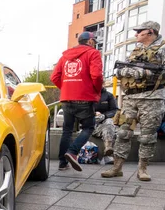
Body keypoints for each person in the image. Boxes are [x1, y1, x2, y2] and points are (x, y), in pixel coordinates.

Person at [102, 21, 165, 181]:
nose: (136, 34)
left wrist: (145, 74)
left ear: (150, 32)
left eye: (139, 31)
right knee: (123, 132)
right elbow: (124, 69)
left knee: (147, 136)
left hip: (152, 98)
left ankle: (142, 169)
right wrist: (125, 71)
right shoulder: (136, 51)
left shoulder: (163, 49)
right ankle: (116, 168)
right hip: (130, 98)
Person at [51, 31, 104, 171]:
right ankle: (73, 152)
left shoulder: (65, 56)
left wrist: (67, 88)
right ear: (90, 42)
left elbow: (55, 77)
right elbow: (97, 75)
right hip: (85, 98)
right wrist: (96, 91)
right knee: (88, 127)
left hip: (67, 98)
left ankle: (62, 163)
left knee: (66, 131)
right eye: (94, 42)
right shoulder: (93, 53)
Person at [93, 87, 119, 163]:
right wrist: (94, 114)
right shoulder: (87, 94)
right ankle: (109, 151)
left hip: (105, 124)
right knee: (111, 128)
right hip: (91, 124)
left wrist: (104, 116)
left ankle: (108, 147)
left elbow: (114, 110)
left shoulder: (109, 95)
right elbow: (83, 109)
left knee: (109, 123)